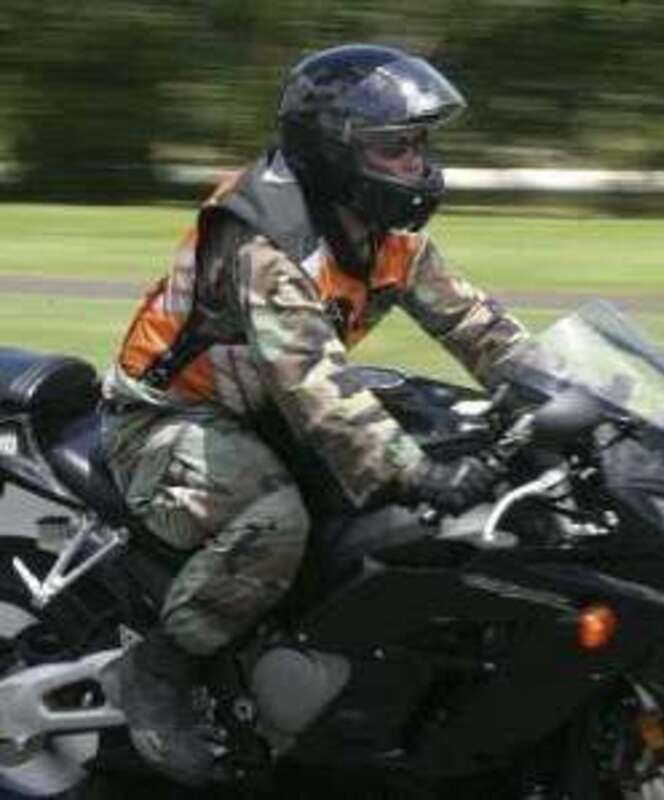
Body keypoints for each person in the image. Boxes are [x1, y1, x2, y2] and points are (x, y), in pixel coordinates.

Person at [101, 43, 538, 785]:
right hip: (169, 419)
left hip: (262, 409)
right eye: (394, 147)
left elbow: (478, 327)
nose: (416, 164)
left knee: (434, 446)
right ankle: (159, 668)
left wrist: (575, 396)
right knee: (278, 522)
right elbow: (311, 383)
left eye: (419, 144)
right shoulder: (265, 242)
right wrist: (416, 473)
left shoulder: (383, 231)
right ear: (333, 148)